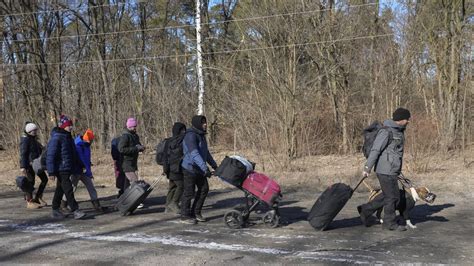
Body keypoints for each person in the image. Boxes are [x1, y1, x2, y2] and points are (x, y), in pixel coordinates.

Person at [359, 108, 411, 231]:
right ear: (401, 119)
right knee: (392, 197)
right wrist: (367, 167)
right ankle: (389, 223)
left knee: (391, 196)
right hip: (384, 170)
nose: (409, 121)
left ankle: (365, 210)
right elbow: (375, 150)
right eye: (407, 119)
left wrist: (398, 168)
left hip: (392, 170)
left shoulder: (399, 131)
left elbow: (396, 152)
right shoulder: (386, 132)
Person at [46, 115, 86, 220]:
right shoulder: (57, 138)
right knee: (68, 188)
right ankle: (75, 210)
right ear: (63, 126)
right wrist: (51, 171)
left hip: (67, 167)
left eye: (71, 125)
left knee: (60, 189)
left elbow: (74, 154)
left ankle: (55, 209)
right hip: (60, 168)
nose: (71, 127)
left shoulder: (68, 138)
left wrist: (80, 164)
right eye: (69, 125)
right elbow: (51, 155)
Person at [180, 115, 218, 224]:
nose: (205, 124)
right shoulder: (190, 136)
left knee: (204, 189)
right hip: (190, 168)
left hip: (199, 168)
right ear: (197, 124)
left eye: (205, 122)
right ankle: (185, 216)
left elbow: (206, 153)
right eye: (202, 123)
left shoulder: (201, 135)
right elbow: (194, 154)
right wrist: (205, 168)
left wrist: (214, 165)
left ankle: (196, 212)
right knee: (189, 192)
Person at [63, 129, 106, 212]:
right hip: (76, 171)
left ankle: (97, 205)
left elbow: (86, 160)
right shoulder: (77, 145)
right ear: (87, 139)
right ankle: (63, 204)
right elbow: (80, 159)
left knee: (91, 187)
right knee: (72, 188)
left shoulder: (87, 146)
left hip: (85, 171)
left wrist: (89, 172)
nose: (92, 141)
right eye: (92, 140)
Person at [19, 122, 48, 209]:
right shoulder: (25, 140)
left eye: (36, 130)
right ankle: (29, 201)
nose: (35, 132)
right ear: (29, 131)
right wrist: (23, 166)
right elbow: (23, 154)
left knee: (44, 179)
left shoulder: (33, 139)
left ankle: (38, 197)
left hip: (37, 164)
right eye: (33, 131)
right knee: (30, 182)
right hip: (29, 165)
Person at [118, 117, 145, 207]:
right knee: (135, 182)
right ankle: (136, 201)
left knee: (127, 185)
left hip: (133, 163)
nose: (135, 128)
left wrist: (141, 148)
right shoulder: (125, 136)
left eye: (135, 126)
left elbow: (137, 146)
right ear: (129, 126)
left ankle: (125, 200)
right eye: (133, 126)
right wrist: (135, 149)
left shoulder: (135, 135)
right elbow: (121, 149)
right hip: (126, 163)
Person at [163, 122, 186, 214]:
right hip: (177, 168)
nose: (184, 131)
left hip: (170, 168)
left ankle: (168, 206)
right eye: (183, 130)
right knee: (181, 185)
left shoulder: (168, 141)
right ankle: (174, 203)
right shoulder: (181, 141)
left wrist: (165, 169)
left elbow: (165, 156)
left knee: (172, 186)